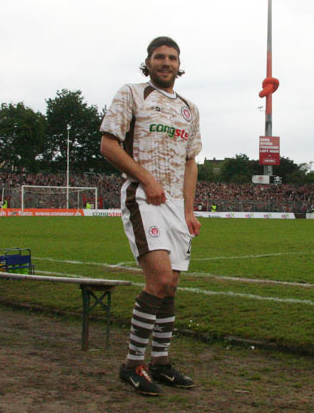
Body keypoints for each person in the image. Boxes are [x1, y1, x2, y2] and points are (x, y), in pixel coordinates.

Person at [100, 36, 202, 396]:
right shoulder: (132, 93)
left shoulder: (189, 108)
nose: (166, 62)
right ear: (148, 62)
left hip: (176, 204)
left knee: (170, 286)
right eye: (159, 56)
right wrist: (147, 179)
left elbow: (191, 161)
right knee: (158, 278)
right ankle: (132, 365)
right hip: (143, 196)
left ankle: (160, 363)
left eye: (172, 57)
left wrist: (188, 210)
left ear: (179, 65)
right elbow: (108, 144)